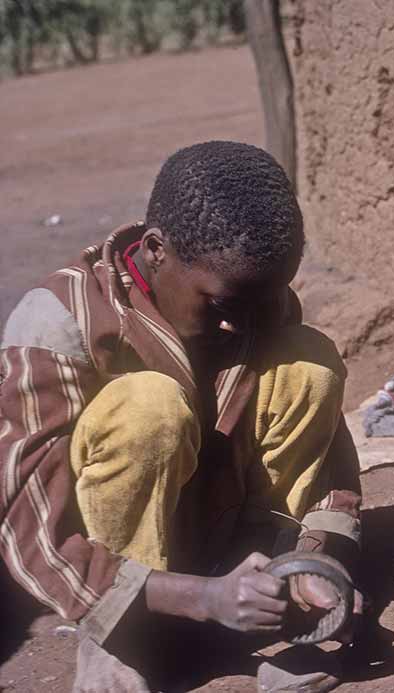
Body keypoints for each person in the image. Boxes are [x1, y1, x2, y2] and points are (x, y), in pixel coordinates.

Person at [0, 141, 363, 692]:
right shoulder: (59, 324)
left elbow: (327, 456)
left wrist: (316, 557)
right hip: (116, 575)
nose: (240, 325)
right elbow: (31, 535)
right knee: (149, 407)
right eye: (221, 306)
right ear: (154, 250)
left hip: (228, 542)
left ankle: (268, 601)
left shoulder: (248, 300)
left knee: (308, 359)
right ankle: (125, 643)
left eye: (265, 300)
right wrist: (199, 598)